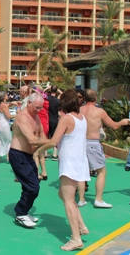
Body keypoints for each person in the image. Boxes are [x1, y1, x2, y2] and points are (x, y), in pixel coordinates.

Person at [35, 90, 89, 251]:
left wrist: (38, 150)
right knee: (64, 196)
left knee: (68, 201)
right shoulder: (81, 118)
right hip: (79, 161)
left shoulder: (66, 119)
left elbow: (53, 141)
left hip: (70, 163)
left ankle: (75, 238)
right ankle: (82, 226)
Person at [77, 89, 129, 208]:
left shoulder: (79, 110)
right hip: (93, 143)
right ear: (95, 99)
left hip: (80, 143)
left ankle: (81, 199)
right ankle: (98, 199)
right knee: (101, 171)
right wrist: (122, 122)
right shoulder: (99, 111)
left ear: (84, 98)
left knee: (81, 172)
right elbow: (114, 126)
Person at [9, 94, 46, 228]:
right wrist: (53, 142)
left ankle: (24, 210)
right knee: (32, 187)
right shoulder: (22, 117)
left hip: (29, 156)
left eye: (40, 108)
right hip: (18, 155)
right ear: (29, 103)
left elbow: (41, 134)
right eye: (36, 107)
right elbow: (31, 139)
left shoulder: (35, 117)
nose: (38, 110)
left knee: (33, 184)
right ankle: (21, 213)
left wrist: (46, 142)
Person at [0, 91, 14, 163]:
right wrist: (18, 115)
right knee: (8, 141)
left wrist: (12, 104)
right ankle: (8, 157)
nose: (7, 96)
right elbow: (9, 116)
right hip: (4, 124)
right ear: (3, 97)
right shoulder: (3, 105)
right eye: (6, 95)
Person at [47, 85, 60, 161]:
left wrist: (46, 89)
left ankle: (45, 153)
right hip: (55, 120)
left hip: (47, 119)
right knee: (55, 137)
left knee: (46, 136)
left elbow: (40, 93)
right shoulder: (57, 101)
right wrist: (58, 90)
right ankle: (54, 154)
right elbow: (64, 95)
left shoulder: (46, 99)